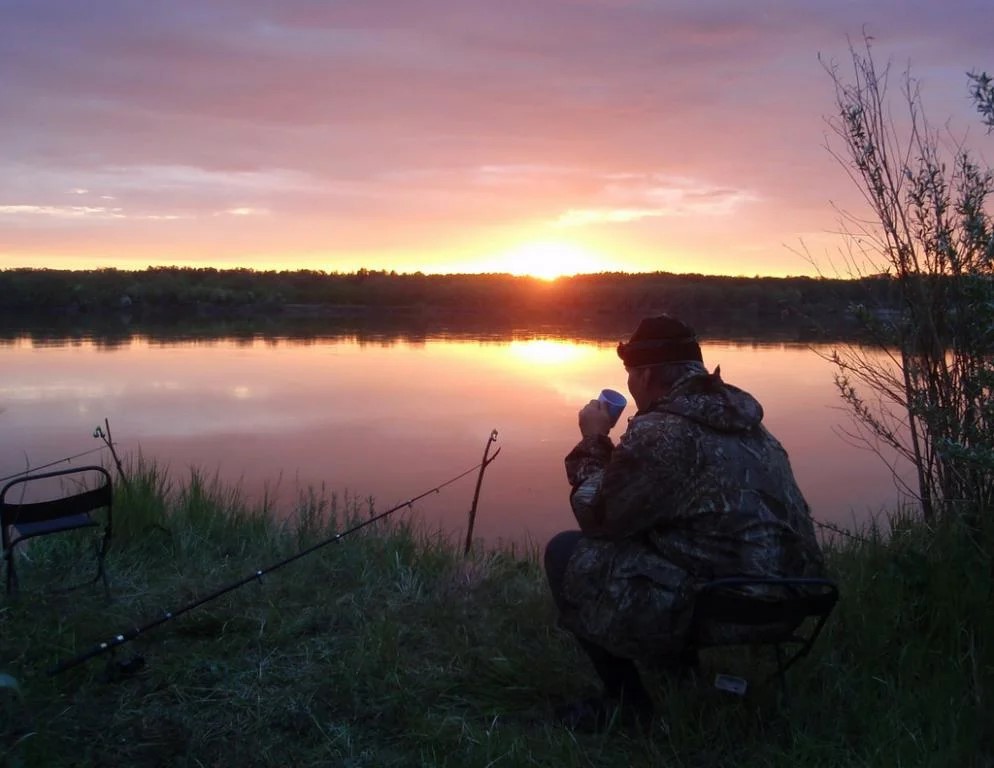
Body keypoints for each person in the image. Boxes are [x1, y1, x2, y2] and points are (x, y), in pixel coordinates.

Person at [544, 314, 825, 731]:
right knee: (664, 538)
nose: (630, 386)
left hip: (732, 605)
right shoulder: (745, 420)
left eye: (630, 374)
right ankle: (680, 671)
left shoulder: (663, 433)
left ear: (648, 373)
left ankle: (628, 705)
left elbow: (598, 518)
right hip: (799, 597)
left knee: (565, 552)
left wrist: (594, 440)